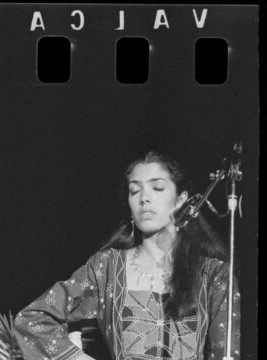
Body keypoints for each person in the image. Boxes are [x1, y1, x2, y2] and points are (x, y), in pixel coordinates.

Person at [13, 151, 240, 360]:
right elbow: (32, 320)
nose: (144, 198)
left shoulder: (214, 275)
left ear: (181, 200)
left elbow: (225, 353)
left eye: (157, 188)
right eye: (135, 190)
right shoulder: (106, 267)